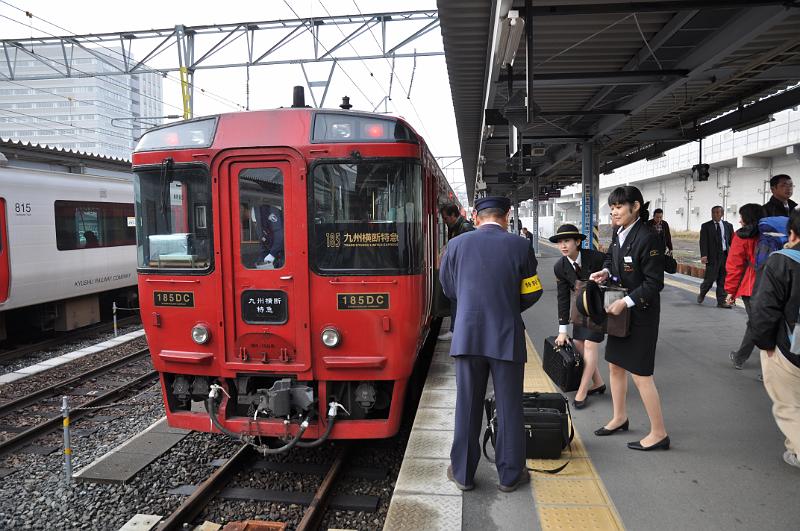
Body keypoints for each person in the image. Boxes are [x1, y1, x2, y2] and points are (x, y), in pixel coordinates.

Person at [439, 196, 543, 492]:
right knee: (510, 407)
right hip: (506, 337)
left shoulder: (456, 245)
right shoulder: (521, 246)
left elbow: (449, 288)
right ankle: (510, 476)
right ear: (507, 215)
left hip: (468, 336)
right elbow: (532, 290)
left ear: (476, 215)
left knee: (467, 406)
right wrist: (507, 306)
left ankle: (462, 474)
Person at [589, 185, 670, 451]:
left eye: (619, 207)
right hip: (620, 312)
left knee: (641, 374)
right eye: (612, 208)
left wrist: (626, 301)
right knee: (614, 365)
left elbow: (653, 283)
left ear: (635, 207)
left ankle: (659, 433)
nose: (614, 212)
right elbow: (614, 263)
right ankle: (619, 417)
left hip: (641, 315)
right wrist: (604, 271)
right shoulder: (619, 232)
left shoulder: (649, 238)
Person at [748, 209, 800, 471]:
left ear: (793, 233)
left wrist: (766, 344)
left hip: (789, 349)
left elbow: (764, 309)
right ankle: (793, 450)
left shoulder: (782, 261)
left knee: (788, 405)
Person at [550, 224, 606, 409]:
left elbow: (611, 269)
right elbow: (563, 298)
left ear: (578, 242)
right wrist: (562, 330)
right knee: (579, 345)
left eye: (567, 241)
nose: (563, 245)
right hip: (580, 309)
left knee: (589, 344)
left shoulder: (595, 257)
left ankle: (582, 390)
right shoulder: (560, 267)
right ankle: (598, 383)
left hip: (599, 307)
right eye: (560, 242)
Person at [725, 204, 767, 370]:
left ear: (747, 218)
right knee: (768, 322)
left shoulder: (742, 236)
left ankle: (742, 359)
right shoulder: (769, 233)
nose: (739, 220)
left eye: (742, 216)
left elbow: (735, 265)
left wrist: (731, 292)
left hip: (753, 286)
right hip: (776, 282)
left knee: (756, 324)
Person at [438, 204, 475, 341]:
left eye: (446, 218)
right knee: (456, 300)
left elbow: (468, 252)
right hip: (458, 270)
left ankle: (456, 330)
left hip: (464, 271)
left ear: (454, 215)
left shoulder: (464, 228)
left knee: (457, 300)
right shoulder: (455, 226)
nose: (445, 221)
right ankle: (456, 329)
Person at [698, 206, 733, 308]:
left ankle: (721, 301)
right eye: (713, 212)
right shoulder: (706, 226)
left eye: (717, 212)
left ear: (722, 214)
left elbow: (732, 241)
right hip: (712, 257)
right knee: (710, 278)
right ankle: (703, 292)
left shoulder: (728, 226)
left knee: (723, 279)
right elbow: (703, 241)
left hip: (724, 255)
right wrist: (704, 255)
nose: (715, 214)